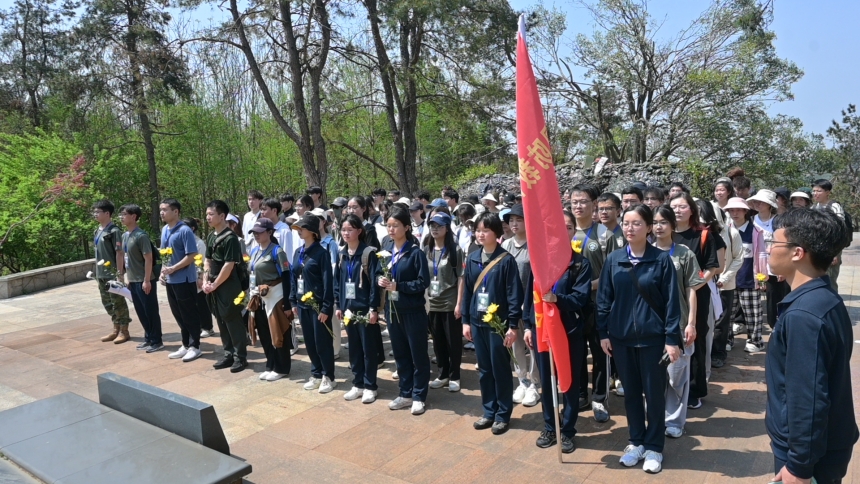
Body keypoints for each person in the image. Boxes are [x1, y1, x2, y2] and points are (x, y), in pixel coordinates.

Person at [765, 208, 858, 484]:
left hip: (809, 457)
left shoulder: (804, 315)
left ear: (798, 253)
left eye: (774, 243)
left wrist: (799, 466)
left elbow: (809, 398)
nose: (768, 249)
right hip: (821, 447)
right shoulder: (824, 298)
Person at [597, 204, 682, 474]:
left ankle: (655, 446)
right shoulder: (614, 259)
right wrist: (603, 333)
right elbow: (604, 300)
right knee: (631, 393)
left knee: (654, 394)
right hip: (621, 339)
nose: (630, 228)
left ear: (648, 228)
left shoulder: (660, 260)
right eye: (627, 223)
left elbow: (672, 303)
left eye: (636, 223)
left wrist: (671, 339)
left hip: (653, 339)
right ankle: (636, 442)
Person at [522, 242, 592, 453]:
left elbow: (581, 297)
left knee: (569, 382)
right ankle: (550, 427)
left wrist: (557, 299)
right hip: (542, 330)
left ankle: (568, 430)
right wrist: (527, 325)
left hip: (569, 332)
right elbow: (529, 296)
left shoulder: (579, 264)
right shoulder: (539, 263)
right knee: (547, 381)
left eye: (568, 227)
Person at [462, 212, 523, 435]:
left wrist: (513, 325)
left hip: (498, 323)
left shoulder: (506, 260)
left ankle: (503, 414)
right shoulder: (473, 258)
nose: (480, 234)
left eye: (485, 230)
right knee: (484, 369)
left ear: (496, 233)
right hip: (477, 323)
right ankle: (489, 411)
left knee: (500, 369)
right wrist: (466, 322)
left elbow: (514, 294)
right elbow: (468, 291)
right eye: (478, 230)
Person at [652, 206, 704, 438]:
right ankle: (654, 417)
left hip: (679, 324)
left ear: (673, 225)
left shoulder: (684, 254)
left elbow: (692, 290)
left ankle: (674, 421)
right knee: (653, 376)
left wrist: (691, 323)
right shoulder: (643, 252)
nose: (658, 227)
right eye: (654, 222)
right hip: (651, 326)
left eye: (663, 222)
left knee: (676, 377)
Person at [378, 206, 431, 414]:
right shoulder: (386, 251)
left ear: (407, 227)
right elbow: (377, 273)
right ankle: (405, 392)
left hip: (413, 310)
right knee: (400, 353)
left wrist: (399, 286)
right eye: (388, 226)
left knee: (417, 354)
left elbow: (422, 282)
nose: (391, 230)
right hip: (392, 309)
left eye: (396, 225)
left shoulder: (414, 253)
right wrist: (380, 280)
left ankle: (419, 395)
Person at [669, 193, 719, 409]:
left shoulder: (703, 234)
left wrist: (694, 285)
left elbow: (712, 267)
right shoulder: (664, 234)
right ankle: (671, 389)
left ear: (692, 209)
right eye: (673, 207)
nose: (677, 210)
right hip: (670, 296)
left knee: (695, 339)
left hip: (696, 294)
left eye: (682, 206)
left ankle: (695, 390)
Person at [569, 186, 611, 422]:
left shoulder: (605, 234)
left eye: (583, 201)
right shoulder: (565, 232)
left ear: (593, 204)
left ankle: (600, 398)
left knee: (599, 353)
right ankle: (580, 394)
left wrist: (587, 288)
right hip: (572, 306)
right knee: (575, 353)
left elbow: (611, 270)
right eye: (574, 201)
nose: (578, 206)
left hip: (597, 304)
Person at [336, 215, 383, 403]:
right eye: (343, 229)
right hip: (348, 309)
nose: (346, 233)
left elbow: (374, 284)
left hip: (364, 308)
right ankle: (358, 383)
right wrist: (338, 304)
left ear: (359, 231)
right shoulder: (342, 254)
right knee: (354, 348)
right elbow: (338, 282)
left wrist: (373, 308)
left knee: (368, 349)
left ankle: (370, 385)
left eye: (350, 229)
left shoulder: (368, 253)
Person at [289, 213, 336, 393]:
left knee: (322, 342)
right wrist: (293, 300)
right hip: (302, 305)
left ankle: (328, 376)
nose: (299, 231)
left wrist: (326, 307)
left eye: (302, 228)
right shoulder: (298, 252)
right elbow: (294, 278)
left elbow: (327, 282)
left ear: (312, 231)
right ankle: (316, 373)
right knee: (309, 341)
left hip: (318, 306)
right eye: (298, 228)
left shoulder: (321, 253)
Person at [501, 205, 540, 407]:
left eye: (519, 219)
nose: (514, 224)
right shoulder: (506, 244)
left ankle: (534, 384)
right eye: (511, 220)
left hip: (530, 304)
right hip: (511, 305)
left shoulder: (534, 244)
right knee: (515, 345)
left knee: (532, 345)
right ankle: (522, 381)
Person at [204, 200, 247, 372]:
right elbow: (207, 260)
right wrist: (207, 280)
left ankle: (240, 357)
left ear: (222, 216)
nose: (208, 217)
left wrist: (214, 284)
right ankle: (228, 354)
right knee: (220, 319)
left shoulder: (230, 238)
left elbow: (229, 265)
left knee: (232, 319)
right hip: (214, 283)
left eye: (211, 214)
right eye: (207, 214)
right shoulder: (211, 236)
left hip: (228, 284)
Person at [247, 218, 293, 381]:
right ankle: (271, 364)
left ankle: (282, 367)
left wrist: (287, 303)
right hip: (259, 297)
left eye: (260, 232)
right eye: (254, 232)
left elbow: (287, 277)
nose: (256, 235)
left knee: (278, 331)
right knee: (264, 332)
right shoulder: (254, 251)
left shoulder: (277, 251)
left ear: (269, 232)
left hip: (276, 297)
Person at [425, 213, 465, 393]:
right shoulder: (427, 248)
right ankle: (442, 374)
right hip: (431, 302)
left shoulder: (455, 250)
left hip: (449, 302)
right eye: (432, 225)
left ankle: (455, 375)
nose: (435, 229)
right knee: (437, 340)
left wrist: (459, 304)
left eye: (439, 226)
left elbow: (461, 278)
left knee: (453, 341)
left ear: (447, 228)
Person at [159, 198, 202, 362]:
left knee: (189, 313)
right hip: (171, 280)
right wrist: (164, 272)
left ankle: (195, 346)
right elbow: (165, 253)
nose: (162, 212)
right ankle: (185, 344)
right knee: (178, 313)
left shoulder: (185, 231)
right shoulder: (164, 230)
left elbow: (192, 255)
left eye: (165, 209)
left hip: (184, 280)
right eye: (161, 209)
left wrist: (174, 268)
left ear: (175, 212)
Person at [723, 197, 767, 354]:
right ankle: (726, 339)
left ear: (745, 211)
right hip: (729, 278)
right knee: (727, 311)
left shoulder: (754, 231)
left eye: (738, 210)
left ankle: (755, 340)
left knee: (752, 312)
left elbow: (761, 254)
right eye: (731, 210)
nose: (735, 213)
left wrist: (762, 277)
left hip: (749, 277)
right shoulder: (725, 230)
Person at [119, 204, 163, 352]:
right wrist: (127, 278)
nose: (121, 217)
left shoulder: (141, 236)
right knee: (140, 311)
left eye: (124, 214)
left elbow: (149, 259)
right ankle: (148, 338)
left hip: (145, 280)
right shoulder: (125, 236)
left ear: (134, 216)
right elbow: (126, 258)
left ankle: (157, 341)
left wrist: (146, 280)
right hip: (133, 280)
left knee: (150, 311)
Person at [92, 199, 132, 344]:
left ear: (107, 213)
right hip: (100, 273)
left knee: (118, 302)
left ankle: (124, 331)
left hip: (112, 273)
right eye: (94, 211)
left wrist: (119, 273)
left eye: (98, 211)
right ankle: (115, 328)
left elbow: (119, 253)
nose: (95, 214)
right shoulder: (97, 230)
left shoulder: (114, 231)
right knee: (107, 302)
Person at [711, 201, 742, 369]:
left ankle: (718, 353)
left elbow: (738, 258)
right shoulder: (701, 233)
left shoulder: (731, 233)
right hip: (706, 285)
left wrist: (725, 277)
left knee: (722, 322)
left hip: (725, 284)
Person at [811, 179, 845, 292]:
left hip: (831, 249)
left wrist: (834, 253)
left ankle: (834, 307)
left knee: (830, 280)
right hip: (818, 249)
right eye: (814, 191)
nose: (815, 193)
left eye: (819, 191)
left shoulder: (834, 207)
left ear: (828, 192)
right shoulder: (814, 208)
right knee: (818, 280)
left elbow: (840, 231)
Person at [184, 217, 215, 339]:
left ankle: (207, 327)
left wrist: (201, 277)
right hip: (187, 277)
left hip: (197, 277)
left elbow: (202, 262)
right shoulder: (184, 241)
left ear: (192, 228)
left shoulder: (199, 243)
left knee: (202, 303)